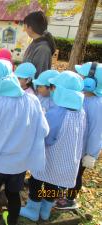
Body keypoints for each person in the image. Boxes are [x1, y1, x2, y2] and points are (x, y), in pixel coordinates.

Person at [0, 59, 49, 225]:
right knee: (13, 194)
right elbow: (44, 130)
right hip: (20, 163)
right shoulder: (33, 100)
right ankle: (12, 221)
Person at [21, 71, 86, 222]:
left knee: (37, 182)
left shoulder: (57, 112)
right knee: (53, 185)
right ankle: (46, 209)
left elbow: (47, 137)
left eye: (55, 87)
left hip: (51, 157)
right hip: (67, 158)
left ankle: (32, 209)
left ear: (62, 91)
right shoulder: (80, 111)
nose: (53, 90)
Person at [55, 62, 102, 209]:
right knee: (69, 172)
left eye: (82, 75)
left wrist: (91, 154)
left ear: (90, 82)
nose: (80, 77)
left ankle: (71, 200)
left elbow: (97, 132)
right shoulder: (83, 97)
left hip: (83, 151)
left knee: (77, 175)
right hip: (74, 146)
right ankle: (61, 193)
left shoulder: (97, 104)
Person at [23, 11, 56, 78]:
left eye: (25, 26)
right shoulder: (35, 43)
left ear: (30, 28)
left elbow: (39, 76)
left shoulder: (43, 49)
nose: (24, 29)